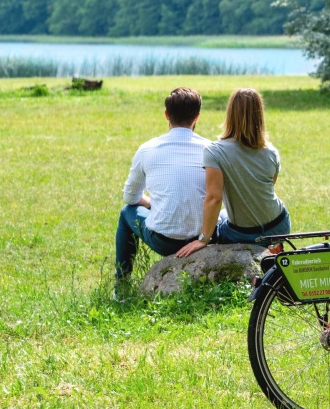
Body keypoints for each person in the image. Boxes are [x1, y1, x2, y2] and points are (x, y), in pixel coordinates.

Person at [115, 87, 217, 284]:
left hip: (163, 241)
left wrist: (151, 203)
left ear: (166, 115)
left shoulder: (147, 149)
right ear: (197, 116)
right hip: (202, 236)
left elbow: (130, 197)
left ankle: (122, 282)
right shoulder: (212, 149)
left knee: (126, 212)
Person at [176, 87, 290, 258]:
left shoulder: (215, 151)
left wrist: (204, 239)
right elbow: (266, 187)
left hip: (243, 234)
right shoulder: (271, 152)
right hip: (279, 224)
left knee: (220, 221)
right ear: (260, 115)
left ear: (230, 113)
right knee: (224, 215)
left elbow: (214, 198)